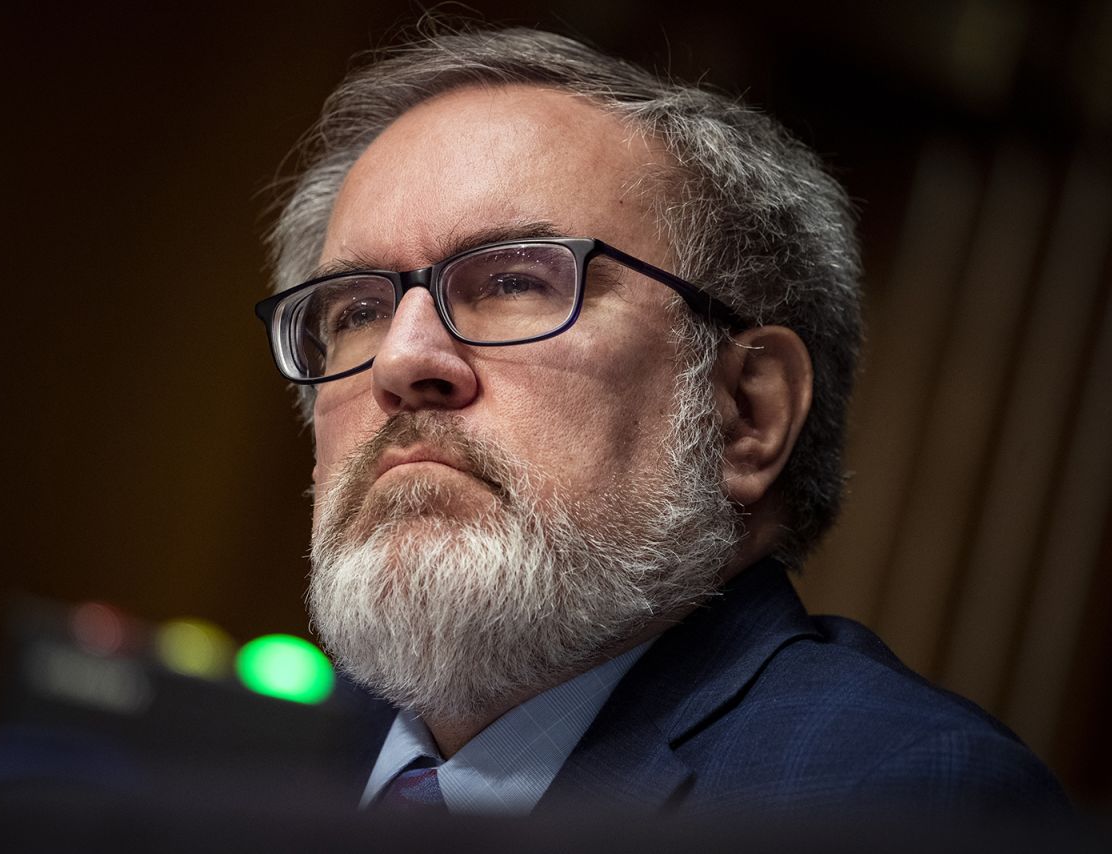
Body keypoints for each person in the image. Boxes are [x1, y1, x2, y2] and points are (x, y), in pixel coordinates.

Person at [253, 25, 1066, 819]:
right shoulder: (232, 755)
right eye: (358, 309)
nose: (401, 362)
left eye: (514, 284)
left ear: (746, 411)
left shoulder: (894, 798)